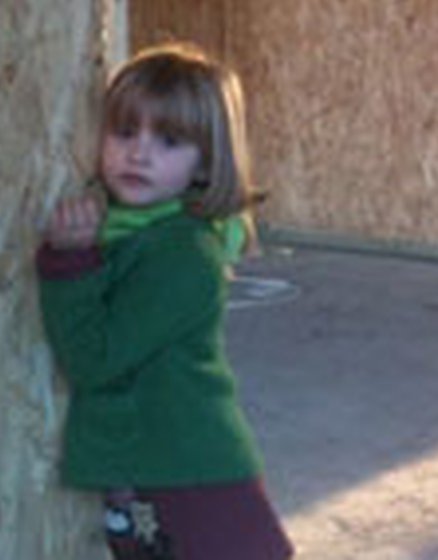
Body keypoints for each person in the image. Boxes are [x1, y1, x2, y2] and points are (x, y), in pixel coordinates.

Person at [36, 43, 294, 560]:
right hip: (161, 472)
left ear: (205, 164)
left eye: (169, 140)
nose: (139, 153)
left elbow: (94, 359)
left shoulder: (183, 254)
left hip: (192, 482)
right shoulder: (130, 229)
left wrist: (69, 264)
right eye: (124, 131)